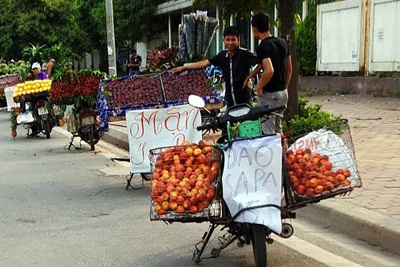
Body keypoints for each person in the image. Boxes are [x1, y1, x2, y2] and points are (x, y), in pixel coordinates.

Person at [172, 26, 258, 108]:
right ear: (223, 40)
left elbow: (261, 63)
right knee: (231, 122)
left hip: (244, 98)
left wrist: (249, 78)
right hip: (229, 98)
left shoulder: (245, 54)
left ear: (238, 40)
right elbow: (205, 63)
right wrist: (184, 68)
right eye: (227, 40)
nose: (230, 43)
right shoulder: (222, 56)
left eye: (233, 40)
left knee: (246, 122)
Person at [247, 11, 292, 135]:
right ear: (268, 26)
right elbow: (289, 69)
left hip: (270, 96)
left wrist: (259, 86)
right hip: (283, 93)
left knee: (268, 133)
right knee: (278, 129)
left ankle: (274, 154)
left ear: (254, 30)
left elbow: (269, 70)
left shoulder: (263, 47)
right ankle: (284, 153)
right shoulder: (282, 43)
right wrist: (284, 87)